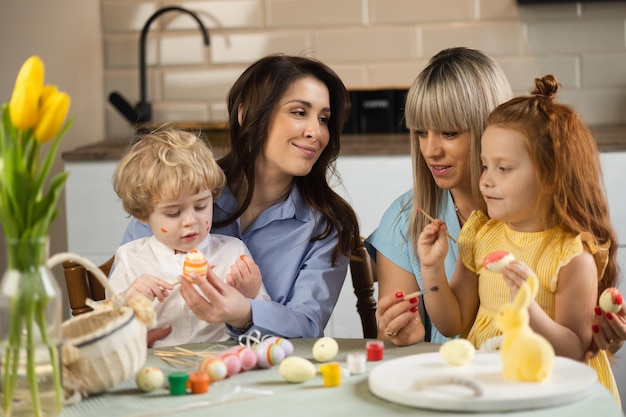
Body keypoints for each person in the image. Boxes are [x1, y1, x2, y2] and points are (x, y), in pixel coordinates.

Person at [119, 54, 361, 344]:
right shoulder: (174, 190)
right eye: (299, 112)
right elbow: (123, 298)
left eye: (323, 119)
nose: (316, 132)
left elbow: (307, 327)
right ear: (246, 115)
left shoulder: (326, 225)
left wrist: (244, 313)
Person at [417, 74, 620, 402]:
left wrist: (526, 310)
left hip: (553, 391)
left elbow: (573, 350)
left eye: (504, 169)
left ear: (552, 177)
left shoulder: (571, 255)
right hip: (495, 382)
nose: (485, 181)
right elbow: (452, 321)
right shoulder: (482, 234)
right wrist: (432, 269)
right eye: (485, 166)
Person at [365, 47, 512, 345]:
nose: (430, 150)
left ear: (489, 129)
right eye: (421, 132)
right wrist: (402, 335)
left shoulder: (532, 211)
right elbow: (391, 340)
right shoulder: (404, 221)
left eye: (448, 133)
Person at [108, 127, 269, 348]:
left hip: (220, 364)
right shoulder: (130, 259)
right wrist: (126, 300)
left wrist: (249, 298)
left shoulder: (232, 253)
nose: (190, 221)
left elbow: (262, 335)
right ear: (143, 215)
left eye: (201, 206)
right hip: (155, 368)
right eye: (174, 213)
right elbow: (106, 333)